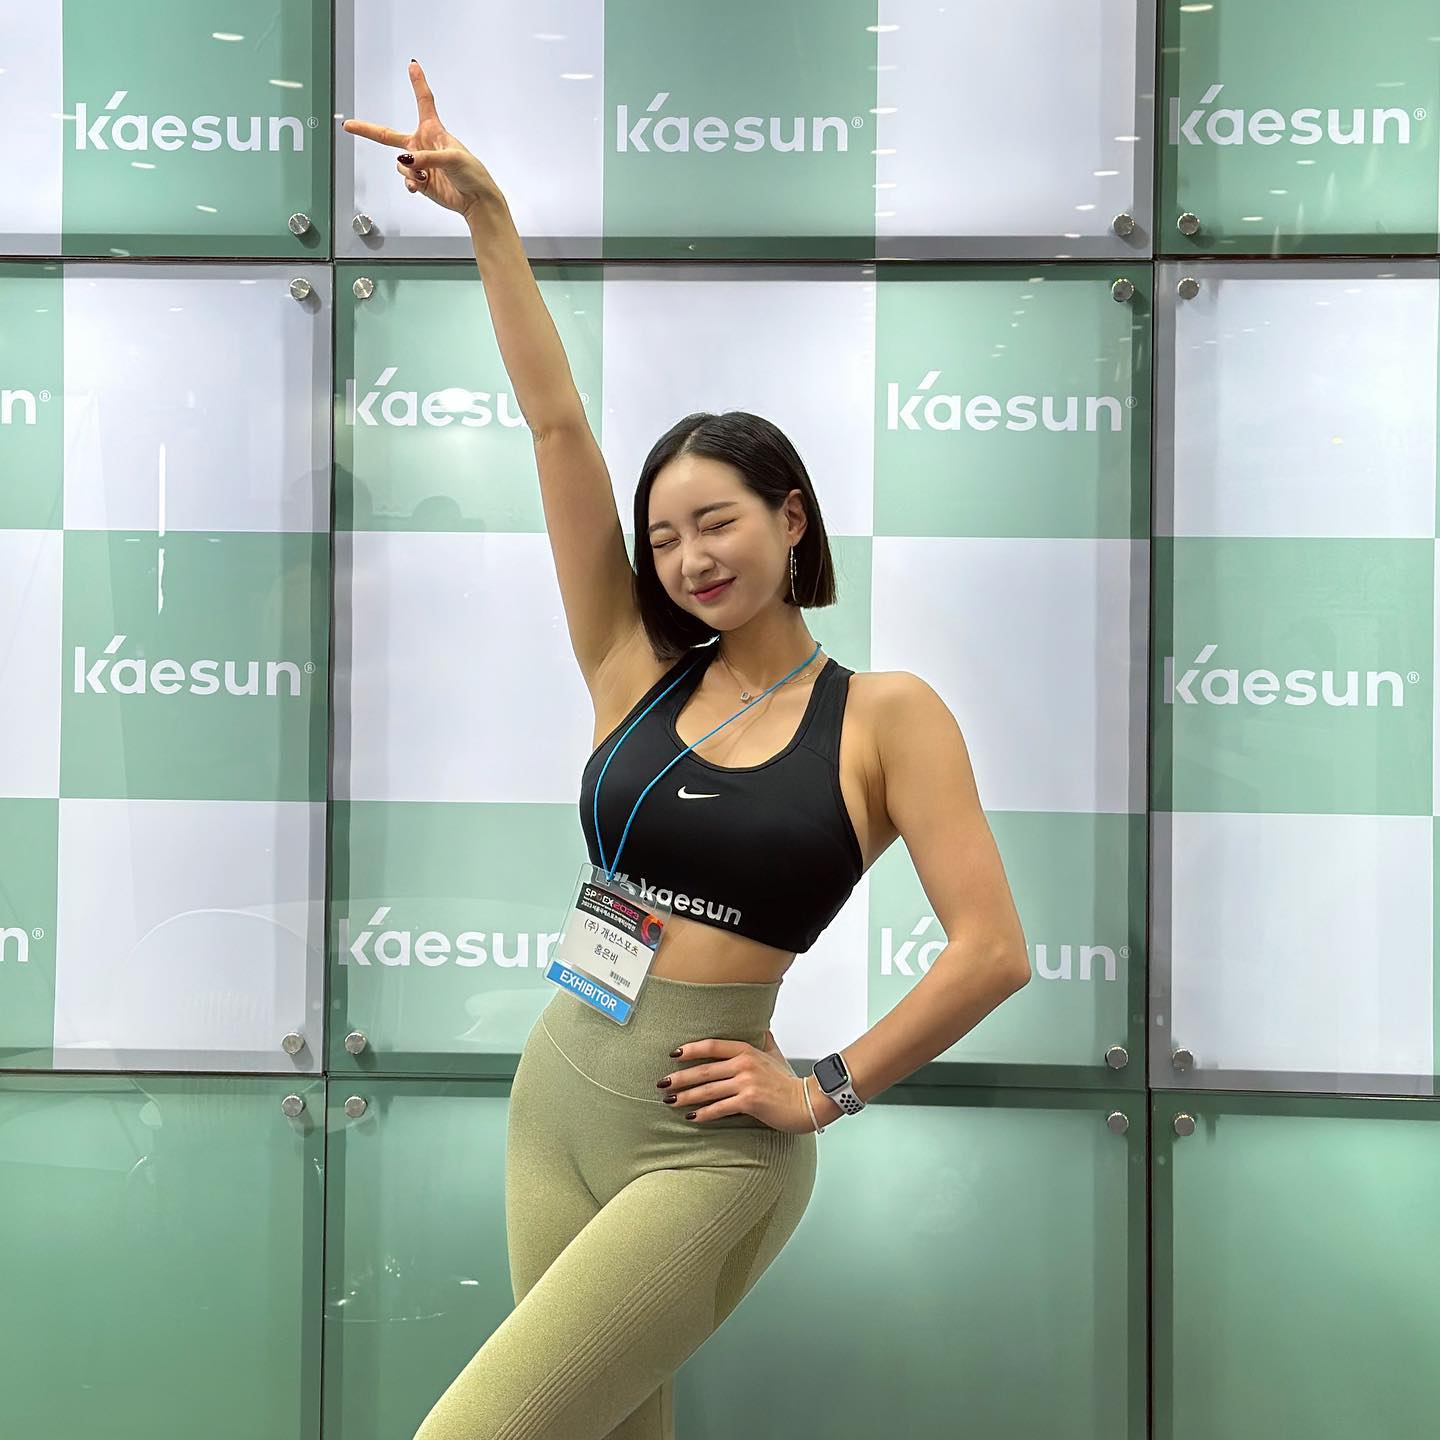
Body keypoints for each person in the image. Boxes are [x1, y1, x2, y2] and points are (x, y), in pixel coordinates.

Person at [344, 60, 1033, 1440]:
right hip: (558, 1093)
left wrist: (825, 1086)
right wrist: (489, 222)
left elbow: (993, 953)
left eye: (717, 521)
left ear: (791, 518)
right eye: (663, 537)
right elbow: (556, 428)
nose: (687, 557)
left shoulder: (885, 714)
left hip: (707, 1139)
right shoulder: (632, 670)